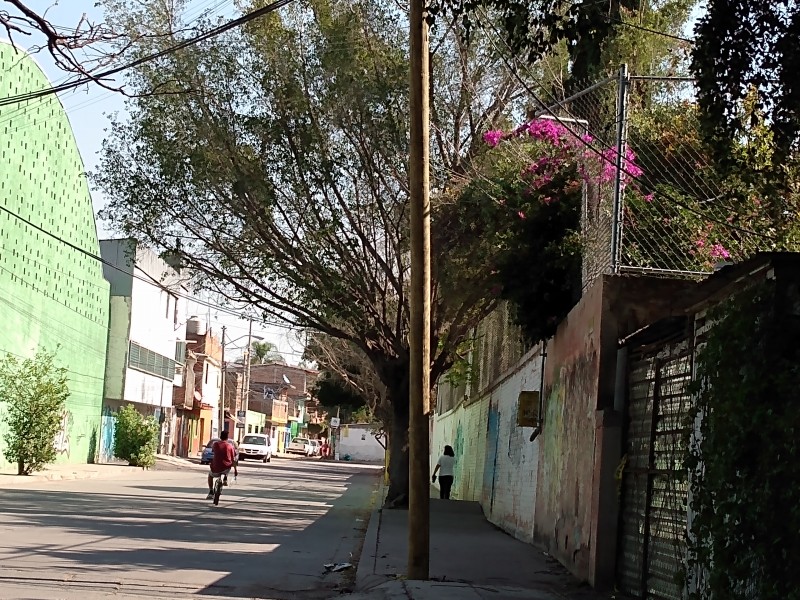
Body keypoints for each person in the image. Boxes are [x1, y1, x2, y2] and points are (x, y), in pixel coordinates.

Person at [206, 430, 238, 500]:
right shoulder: (230, 446)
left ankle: (211, 491)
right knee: (228, 466)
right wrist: (235, 470)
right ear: (227, 438)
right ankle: (225, 477)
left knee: (210, 476)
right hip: (226, 468)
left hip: (216, 468)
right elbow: (233, 459)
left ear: (220, 437)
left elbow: (213, 452)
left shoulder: (215, 444)